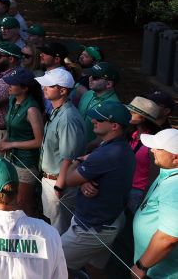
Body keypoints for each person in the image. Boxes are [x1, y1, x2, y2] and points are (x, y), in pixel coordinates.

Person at [60, 99, 135, 274]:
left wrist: (77, 162)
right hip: (109, 221)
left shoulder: (106, 154)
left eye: (99, 119)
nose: (93, 121)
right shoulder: (118, 147)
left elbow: (69, 179)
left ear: (114, 126)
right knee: (94, 268)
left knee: (54, 263)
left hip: (91, 228)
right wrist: (85, 180)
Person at [35, 67, 89, 233]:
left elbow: (69, 157)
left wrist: (59, 186)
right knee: (53, 225)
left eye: (49, 86)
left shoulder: (67, 118)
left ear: (63, 90)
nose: (44, 88)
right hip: (51, 180)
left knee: (59, 231)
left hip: (59, 182)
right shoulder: (57, 110)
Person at [0, 67, 44, 216]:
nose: (8, 86)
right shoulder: (12, 100)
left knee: (23, 202)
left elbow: (39, 141)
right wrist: (5, 140)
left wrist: (11, 144)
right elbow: (10, 127)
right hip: (11, 157)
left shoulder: (32, 110)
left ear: (24, 88)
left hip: (26, 162)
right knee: (12, 200)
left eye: (13, 84)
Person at [132, 128, 178, 278]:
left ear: (175, 157)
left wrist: (141, 266)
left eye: (158, 148)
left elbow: (168, 237)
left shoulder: (175, 188)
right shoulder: (169, 171)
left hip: (159, 272)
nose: (151, 150)